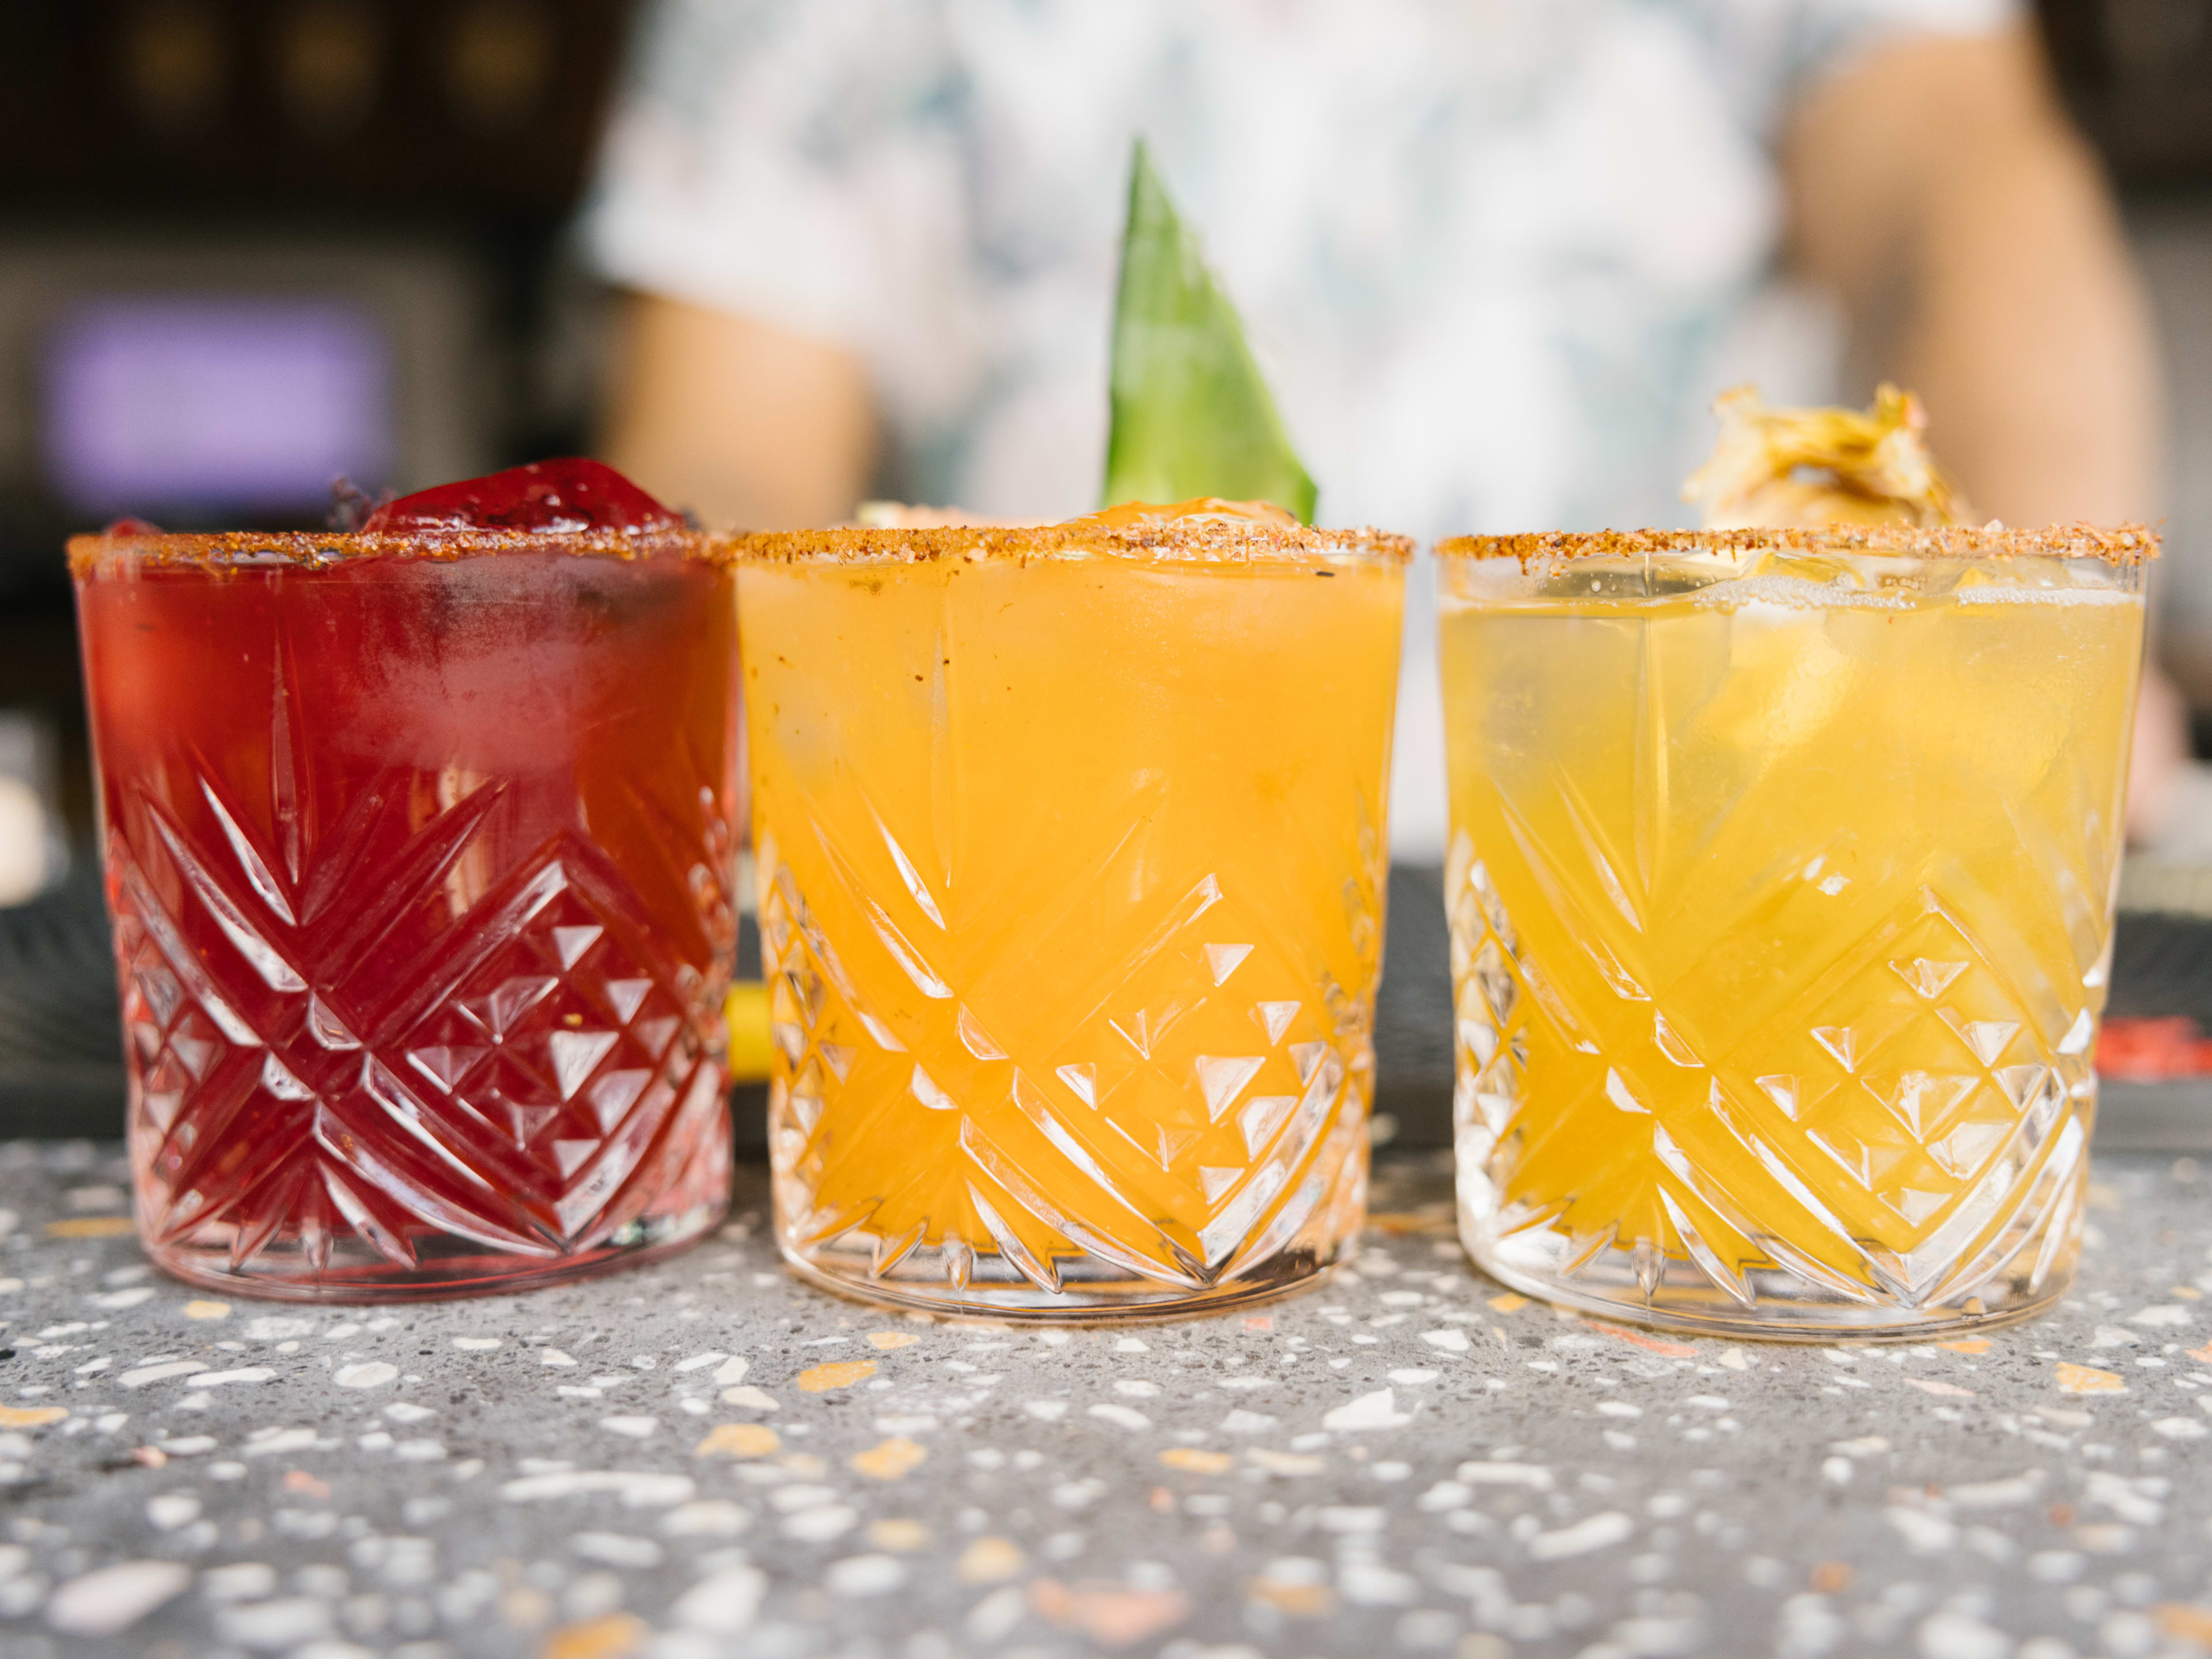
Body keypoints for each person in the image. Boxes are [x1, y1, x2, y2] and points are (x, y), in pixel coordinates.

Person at [578, 0, 2172, 856]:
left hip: (1656, 882)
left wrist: (2024, 649)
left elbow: (1960, 194)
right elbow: (729, 453)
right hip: (1073, 899)